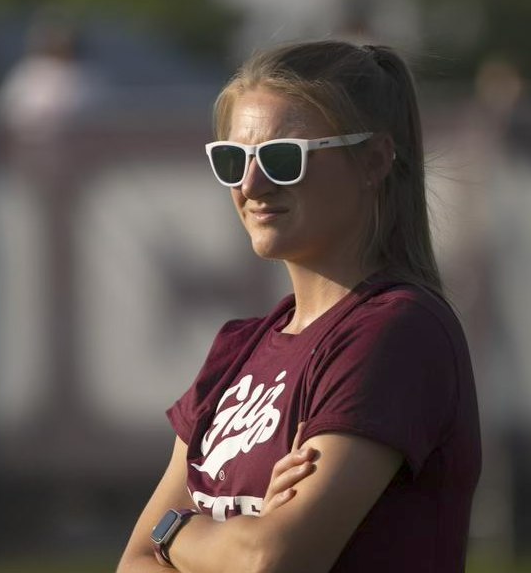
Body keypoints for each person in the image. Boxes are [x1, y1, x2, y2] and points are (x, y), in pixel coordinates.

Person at [116, 39, 481, 573]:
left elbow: (274, 559)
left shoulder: (398, 330)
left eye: (283, 158)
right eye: (232, 159)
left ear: (374, 160)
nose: (251, 183)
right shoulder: (236, 348)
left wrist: (178, 530)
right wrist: (239, 532)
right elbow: (133, 562)